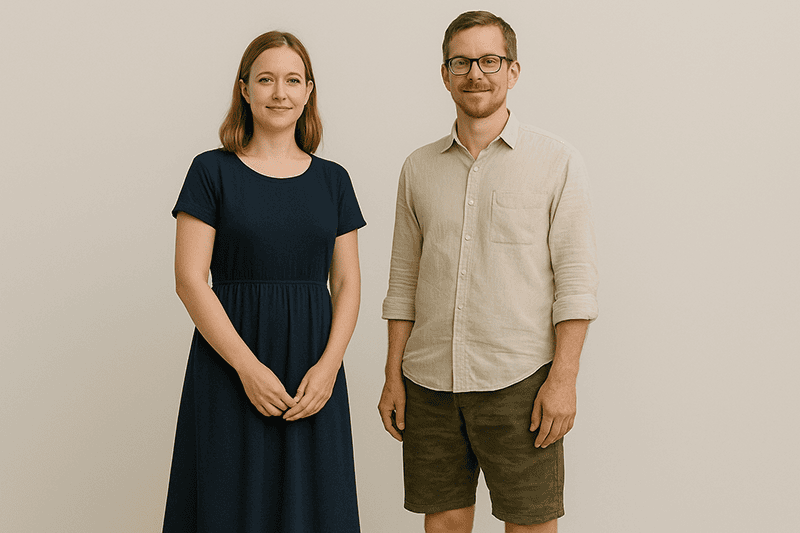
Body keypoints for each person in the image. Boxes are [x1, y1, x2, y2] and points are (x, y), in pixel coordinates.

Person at [378, 11, 598, 533]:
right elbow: (403, 284)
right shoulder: (418, 168)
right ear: (445, 72)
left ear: (513, 71)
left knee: (530, 524)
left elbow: (576, 284)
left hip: (521, 382)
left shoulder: (557, 162)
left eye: (489, 60)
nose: (475, 73)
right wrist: (392, 375)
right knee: (446, 522)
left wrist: (563, 381)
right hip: (428, 382)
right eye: (461, 62)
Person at [164, 31, 365, 533]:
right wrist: (247, 368)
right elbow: (190, 280)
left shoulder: (334, 179)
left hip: (312, 372)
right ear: (245, 89)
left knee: (315, 506)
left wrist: (328, 368)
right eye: (267, 79)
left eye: (293, 80)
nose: (280, 92)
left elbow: (347, 284)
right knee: (227, 501)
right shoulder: (211, 171)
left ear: (309, 92)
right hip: (230, 365)